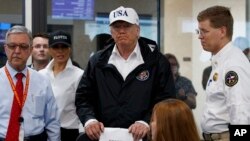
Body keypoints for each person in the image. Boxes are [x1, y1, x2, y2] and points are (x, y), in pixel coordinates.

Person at [75, 6, 175, 141]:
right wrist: (89, 120)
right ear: (111, 31)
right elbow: (83, 97)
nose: (121, 31)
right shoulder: (97, 61)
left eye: (127, 26)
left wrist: (146, 121)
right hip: (104, 136)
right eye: (116, 27)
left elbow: (166, 100)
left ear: (138, 30)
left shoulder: (157, 61)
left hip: (144, 136)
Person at [197, 6, 250, 141]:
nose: (199, 36)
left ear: (222, 31)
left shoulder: (233, 64)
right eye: (199, 31)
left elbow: (240, 110)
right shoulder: (220, 61)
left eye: (204, 31)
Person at [0, 25, 60, 141]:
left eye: (23, 46)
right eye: (12, 46)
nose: (17, 51)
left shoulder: (42, 80)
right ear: (6, 48)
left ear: (30, 50)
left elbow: (52, 121)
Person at [39, 30, 84, 141]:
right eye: (55, 47)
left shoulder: (79, 75)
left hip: (69, 132)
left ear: (70, 49)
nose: (60, 51)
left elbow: (83, 106)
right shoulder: (40, 75)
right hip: (44, 131)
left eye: (64, 47)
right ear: (49, 50)